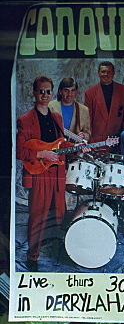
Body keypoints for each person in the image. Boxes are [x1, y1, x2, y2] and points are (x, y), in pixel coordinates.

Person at [15, 76, 66, 272]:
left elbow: (61, 144)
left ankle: (54, 250)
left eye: (48, 91)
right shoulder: (25, 120)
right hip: (39, 173)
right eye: (41, 91)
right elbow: (19, 151)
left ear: (52, 93)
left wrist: (79, 147)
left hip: (57, 171)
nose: (45, 95)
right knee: (38, 215)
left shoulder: (57, 117)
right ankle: (32, 256)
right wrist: (41, 153)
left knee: (59, 213)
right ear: (34, 93)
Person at [83, 61, 124, 147]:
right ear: (98, 73)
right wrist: (91, 140)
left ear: (113, 73)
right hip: (98, 142)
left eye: (109, 72)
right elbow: (87, 119)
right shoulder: (90, 93)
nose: (106, 74)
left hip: (117, 140)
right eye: (103, 72)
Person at [49, 77, 91, 144]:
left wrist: (83, 135)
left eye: (72, 91)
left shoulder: (84, 110)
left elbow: (88, 133)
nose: (69, 94)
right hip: (54, 147)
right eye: (66, 90)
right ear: (60, 91)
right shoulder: (50, 106)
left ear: (76, 92)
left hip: (74, 149)